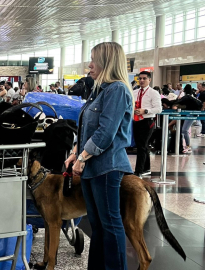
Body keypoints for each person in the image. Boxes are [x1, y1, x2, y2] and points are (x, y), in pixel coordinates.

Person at [64, 42, 133, 270]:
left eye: (94, 60)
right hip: (92, 167)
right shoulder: (97, 90)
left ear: (107, 62)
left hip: (107, 166)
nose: (89, 65)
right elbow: (86, 128)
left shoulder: (117, 90)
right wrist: (76, 153)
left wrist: (82, 158)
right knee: (97, 225)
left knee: (110, 225)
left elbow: (106, 133)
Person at [132, 71, 162, 177]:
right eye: (140, 78)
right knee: (142, 146)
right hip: (136, 121)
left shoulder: (154, 93)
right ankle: (146, 168)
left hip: (147, 121)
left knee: (142, 146)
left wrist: (145, 111)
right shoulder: (135, 92)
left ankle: (138, 171)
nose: (141, 80)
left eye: (144, 78)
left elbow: (158, 109)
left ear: (149, 80)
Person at [172, 84, 202, 153]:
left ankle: (188, 146)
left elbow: (178, 102)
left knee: (184, 130)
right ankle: (187, 146)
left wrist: (174, 105)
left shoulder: (187, 97)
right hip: (192, 114)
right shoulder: (192, 96)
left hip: (190, 114)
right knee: (184, 130)